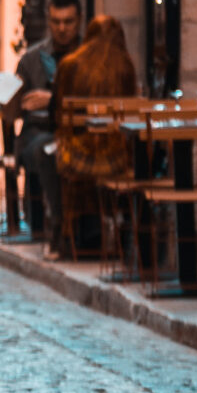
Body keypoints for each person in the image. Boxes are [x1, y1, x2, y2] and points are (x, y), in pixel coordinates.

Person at [50, 14, 139, 257]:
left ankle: (65, 233)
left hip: (77, 155)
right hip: (117, 157)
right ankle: (117, 230)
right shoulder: (126, 67)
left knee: (49, 154)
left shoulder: (70, 64)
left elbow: (57, 116)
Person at [4, 0, 83, 256]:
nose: (62, 29)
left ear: (79, 21)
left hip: (79, 130)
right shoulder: (31, 59)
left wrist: (52, 99)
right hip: (37, 132)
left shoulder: (89, 57)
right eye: (56, 22)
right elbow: (10, 106)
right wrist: (10, 96)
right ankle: (59, 226)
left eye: (68, 22)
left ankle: (87, 228)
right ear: (49, 21)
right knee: (47, 150)